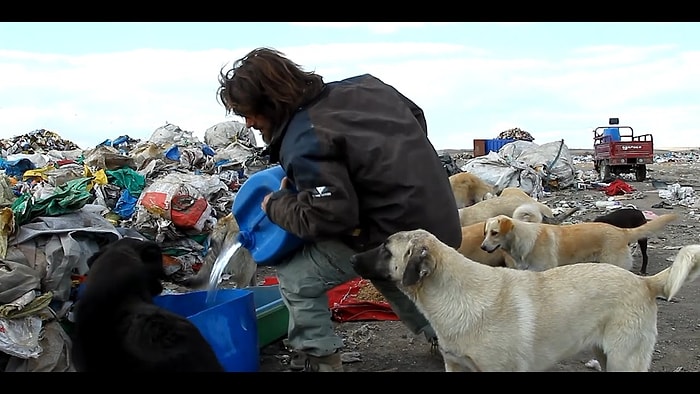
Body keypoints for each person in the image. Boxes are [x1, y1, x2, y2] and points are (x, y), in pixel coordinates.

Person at [217, 47, 462, 372]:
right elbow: (416, 117)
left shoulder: (305, 139)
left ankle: (318, 358)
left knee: (296, 278)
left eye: (249, 113)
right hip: (439, 215)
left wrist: (277, 205)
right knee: (384, 270)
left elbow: (330, 216)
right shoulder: (366, 86)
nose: (248, 123)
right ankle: (450, 341)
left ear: (271, 102)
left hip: (394, 228)